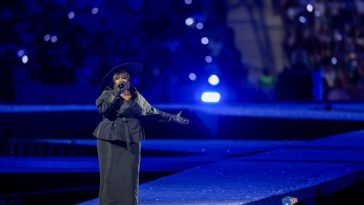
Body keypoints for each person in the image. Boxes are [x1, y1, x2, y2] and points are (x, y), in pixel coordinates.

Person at [93, 63, 189, 205]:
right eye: (118, 78)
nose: (121, 80)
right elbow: (104, 110)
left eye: (124, 78)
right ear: (114, 82)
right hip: (109, 137)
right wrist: (116, 95)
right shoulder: (107, 94)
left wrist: (174, 118)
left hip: (130, 136)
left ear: (129, 81)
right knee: (110, 174)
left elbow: (152, 112)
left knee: (129, 174)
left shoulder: (135, 95)